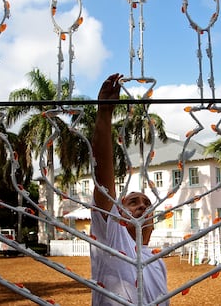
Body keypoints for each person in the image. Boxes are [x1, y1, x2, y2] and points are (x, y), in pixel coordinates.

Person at [90, 73, 168, 306]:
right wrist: (104, 113)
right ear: (118, 214)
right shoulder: (113, 241)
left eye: (147, 203)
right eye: (133, 201)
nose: (143, 205)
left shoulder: (157, 261)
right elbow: (103, 181)